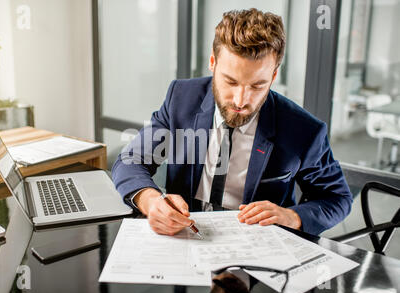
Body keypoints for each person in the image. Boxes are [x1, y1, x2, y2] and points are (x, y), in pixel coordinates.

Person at [112, 8, 352, 236]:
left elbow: (338, 199)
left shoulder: (303, 129)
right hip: (183, 236)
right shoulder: (181, 98)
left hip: (258, 251)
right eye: (231, 82)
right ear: (213, 63)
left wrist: (291, 217)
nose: (241, 100)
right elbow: (131, 160)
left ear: (274, 75)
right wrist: (151, 200)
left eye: (257, 85)